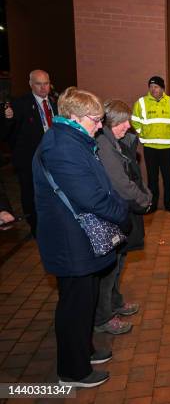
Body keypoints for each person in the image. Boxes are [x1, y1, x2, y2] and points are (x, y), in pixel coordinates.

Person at [32, 87, 129, 388]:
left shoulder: (72, 139)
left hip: (79, 238)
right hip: (69, 240)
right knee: (74, 305)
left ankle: (84, 351)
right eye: (95, 119)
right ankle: (73, 371)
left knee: (84, 301)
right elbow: (90, 197)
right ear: (73, 117)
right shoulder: (61, 147)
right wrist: (122, 213)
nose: (100, 125)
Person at [94, 100, 152, 335]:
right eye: (123, 121)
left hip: (120, 211)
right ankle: (103, 317)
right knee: (109, 269)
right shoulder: (104, 145)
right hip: (113, 212)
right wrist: (144, 199)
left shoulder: (114, 141)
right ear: (111, 122)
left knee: (119, 263)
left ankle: (115, 303)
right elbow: (121, 183)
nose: (128, 125)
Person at [3, 70, 58, 236]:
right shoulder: (20, 104)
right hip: (29, 160)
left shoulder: (54, 103)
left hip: (52, 158)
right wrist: (7, 118)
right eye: (38, 84)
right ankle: (36, 228)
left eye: (46, 83)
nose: (43, 88)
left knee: (53, 192)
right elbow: (7, 133)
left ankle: (53, 223)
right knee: (30, 193)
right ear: (31, 84)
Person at [131, 76, 170, 213]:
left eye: (156, 87)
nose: (153, 89)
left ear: (162, 88)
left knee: (167, 177)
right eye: (151, 87)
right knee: (152, 177)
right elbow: (135, 120)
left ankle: (169, 203)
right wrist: (143, 133)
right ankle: (152, 203)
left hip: (167, 147)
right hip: (150, 147)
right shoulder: (141, 103)